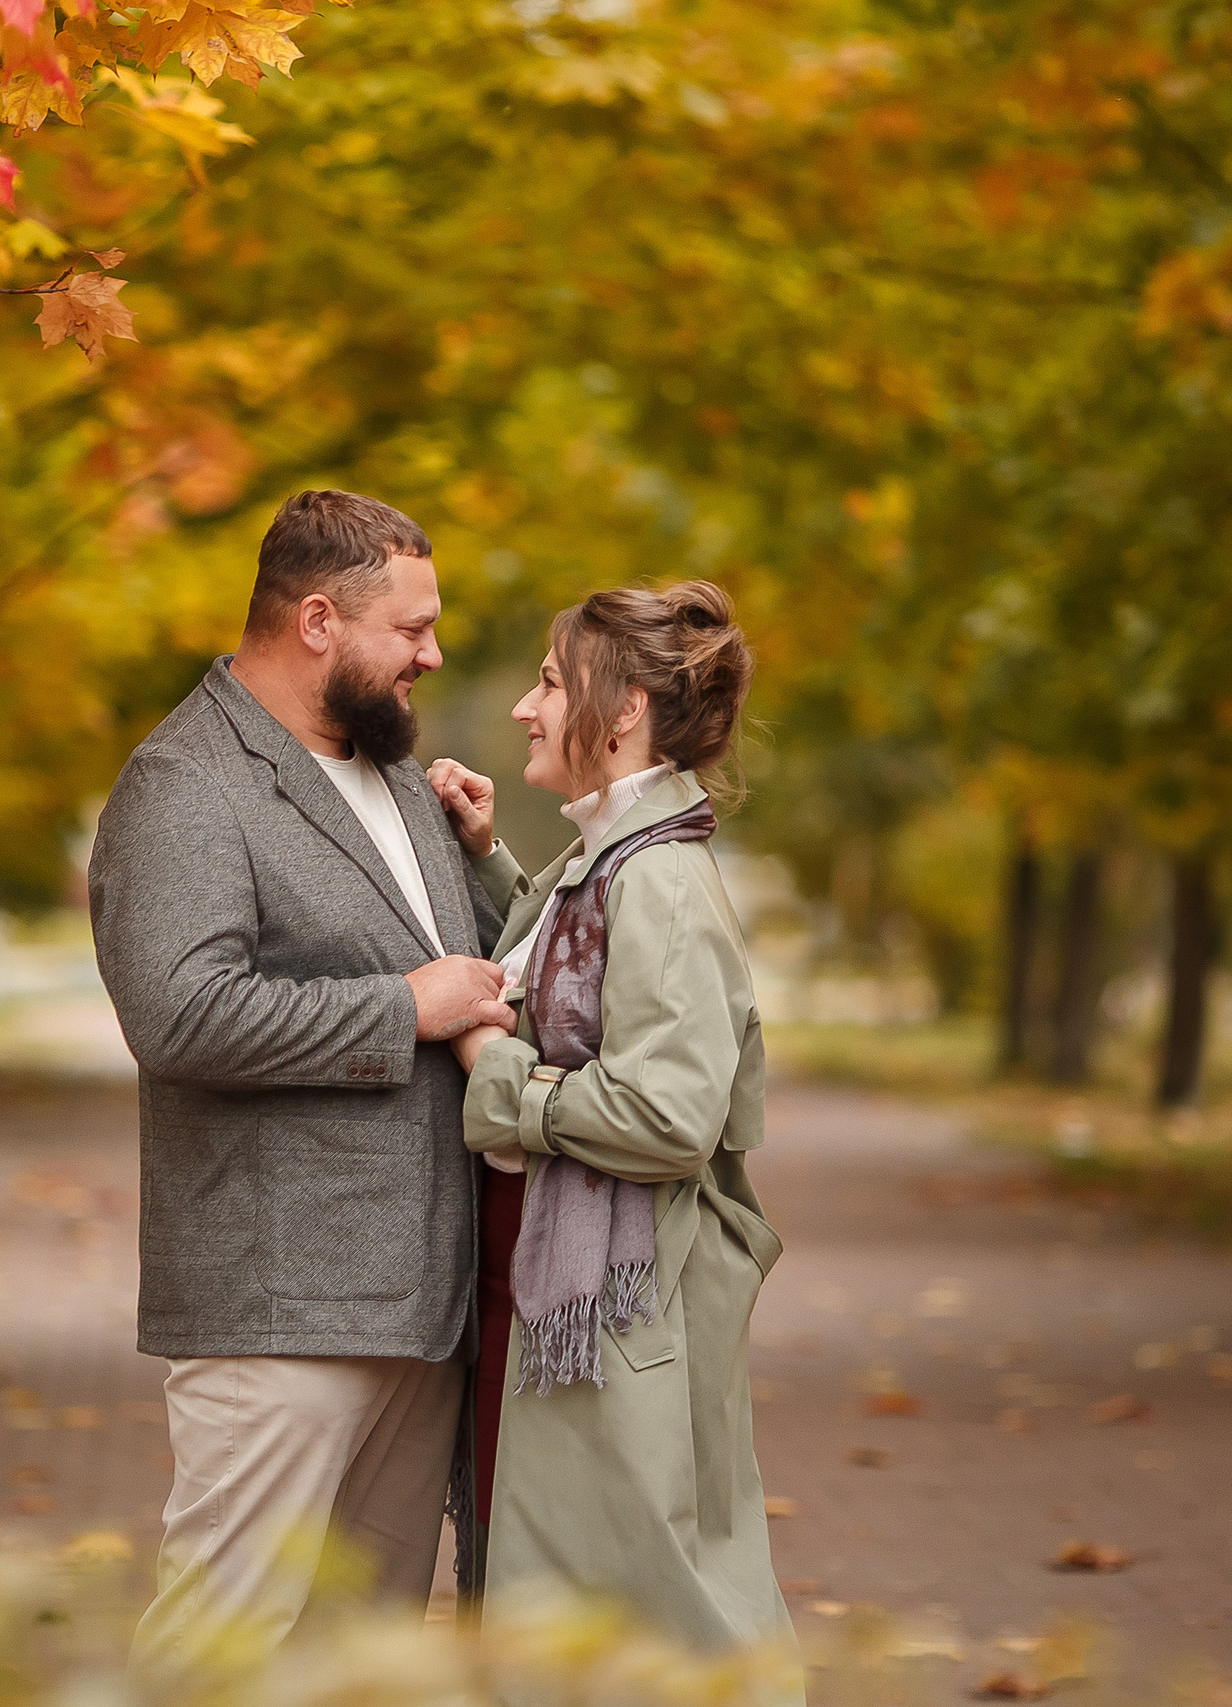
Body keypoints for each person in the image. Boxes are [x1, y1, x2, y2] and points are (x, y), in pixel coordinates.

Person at [88, 489, 519, 1678]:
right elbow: (179, 1015)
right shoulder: (184, 782)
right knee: (218, 1658)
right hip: (279, 1308)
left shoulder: (391, 778)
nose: (432, 655)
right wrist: (402, 1010)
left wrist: (481, 863)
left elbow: (471, 970)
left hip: (417, 1305)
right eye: (411, 629)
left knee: (362, 1664)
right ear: (318, 620)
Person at [425, 581, 796, 1667]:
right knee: (558, 1610)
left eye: (548, 682)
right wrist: (491, 859)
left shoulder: (660, 879)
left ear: (622, 706)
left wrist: (494, 1073)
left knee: (641, 1631)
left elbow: (669, 1114)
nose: (525, 710)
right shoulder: (610, 860)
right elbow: (570, 983)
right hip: (554, 1282)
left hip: (613, 1304)